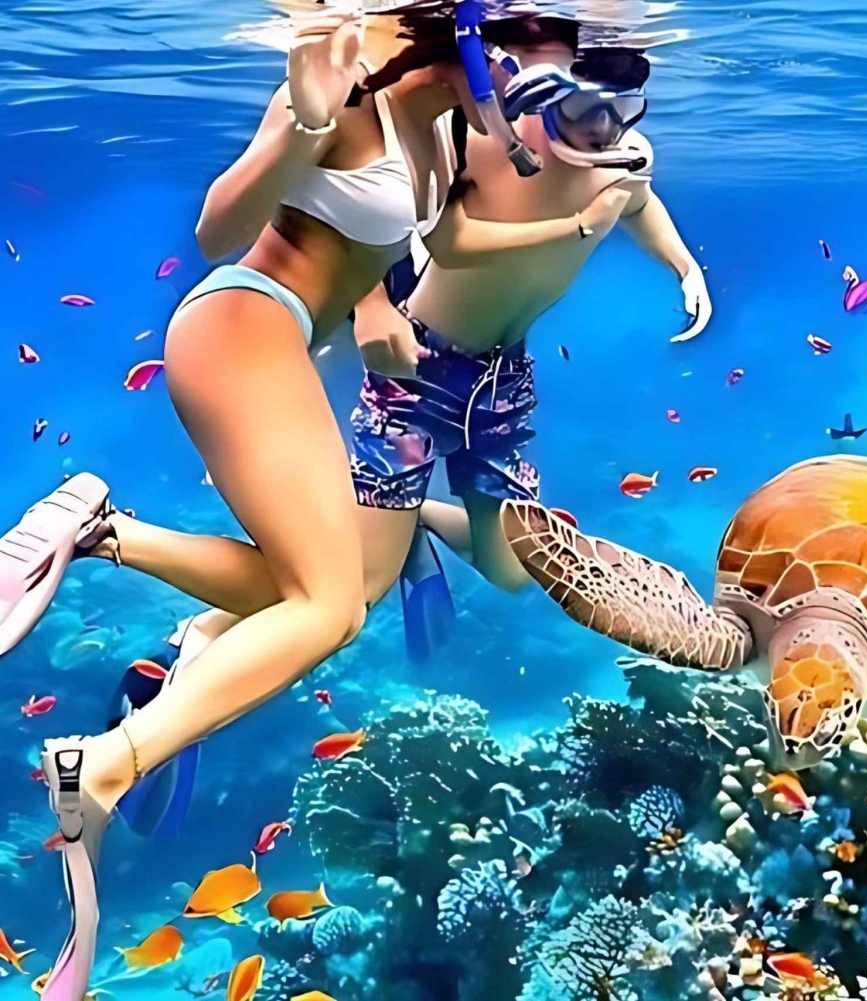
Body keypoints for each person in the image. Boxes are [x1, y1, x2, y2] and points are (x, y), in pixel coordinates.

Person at [0, 8, 630, 999]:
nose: (532, 114)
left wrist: (390, 301)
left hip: (281, 336)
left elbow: (414, 236)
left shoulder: (443, 126)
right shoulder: (348, 91)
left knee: (325, 594)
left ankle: (102, 530)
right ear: (471, 46)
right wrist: (299, 125)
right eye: (523, 81)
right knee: (330, 608)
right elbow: (217, 229)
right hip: (243, 325)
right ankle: (107, 762)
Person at [347, 14, 709, 625]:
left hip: (502, 380)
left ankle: (413, 520)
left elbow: (639, 203)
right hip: (418, 366)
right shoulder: (476, 138)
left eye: (622, 110)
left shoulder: (626, 158)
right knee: (364, 586)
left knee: (515, 572)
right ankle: (374, 532)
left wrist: (684, 266)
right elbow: (425, 232)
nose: (604, 128)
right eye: (586, 108)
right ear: (541, 91)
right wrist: (579, 227)